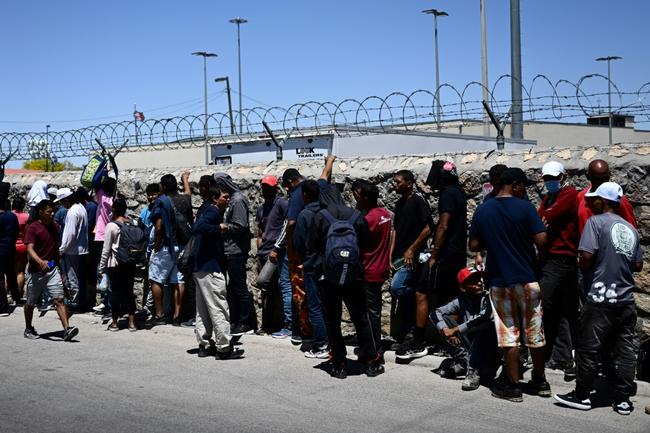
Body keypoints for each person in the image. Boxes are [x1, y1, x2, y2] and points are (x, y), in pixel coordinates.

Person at [554, 182, 643, 416]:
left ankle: (582, 395)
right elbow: (638, 264)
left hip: (600, 297)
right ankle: (623, 400)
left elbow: (586, 256)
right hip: (625, 300)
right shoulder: (630, 229)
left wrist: (585, 264)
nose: (589, 201)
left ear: (602, 201)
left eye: (593, 199)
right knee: (625, 350)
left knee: (588, 348)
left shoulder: (595, 222)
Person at [468, 167, 550, 403]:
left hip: (500, 281)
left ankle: (512, 386)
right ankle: (540, 380)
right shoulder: (525, 208)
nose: (524, 189)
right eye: (523, 185)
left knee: (509, 335)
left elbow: (474, 245)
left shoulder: (483, 210)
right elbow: (542, 241)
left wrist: (492, 237)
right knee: (535, 331)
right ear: (514, 185)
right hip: (528, 279)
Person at [307, 189, 384, 379]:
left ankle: (340, 364)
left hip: (329, 278)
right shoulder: (357, 215)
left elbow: (311, 246)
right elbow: (366, 244)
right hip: (354, 276)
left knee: (332, 321)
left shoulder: (320, 217)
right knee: (361, 318)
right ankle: (371, 362)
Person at [398, 160, 468, 360]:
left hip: (445, 255)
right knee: (449, 298)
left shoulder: (447, 194)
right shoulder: (459, 192)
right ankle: (451, 342)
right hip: (457, 253)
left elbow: (443, 225)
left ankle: (419, 341)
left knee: (422, 293)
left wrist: (434, 254)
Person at [536, 161, 579, 377]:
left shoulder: (570, 195)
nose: (549, 182)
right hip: (550, 258)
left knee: (546, 306)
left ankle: (548, 355)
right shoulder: (547, 198)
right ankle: (560, 356)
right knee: (557, 310)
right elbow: (539, 219)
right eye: (546, 178)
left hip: (562, 259)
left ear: (563, 176)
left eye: (553, 178)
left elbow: (550, 217)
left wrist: (544, 219)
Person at [192, 185, 243, 360]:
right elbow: (198, 227)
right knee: (218, 307)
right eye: (225, 197)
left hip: (200, 267)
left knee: (203, 310)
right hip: (210, 268)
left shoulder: (206, 210)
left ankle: (205, 345)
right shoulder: (213, 212)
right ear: (215, 198)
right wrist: (220, 228)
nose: (228, 200)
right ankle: (224, 347)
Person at [432, 266, 498, 391]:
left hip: (488, 347)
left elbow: (484, 318)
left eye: (479, 279)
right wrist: (446, 330)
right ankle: (464, 362)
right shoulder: (460, 300)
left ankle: (473, 369)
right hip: (469, 342)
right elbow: (435, 313)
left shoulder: (488, 297)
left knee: (482, 328)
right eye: (473, 281)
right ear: (463, 288)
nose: (479, 283)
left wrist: (455, 330)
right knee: (444, 320)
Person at [23, 200, 79, 341]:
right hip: (35, 271)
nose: (52, 214)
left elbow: (55, 250)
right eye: (49, 211)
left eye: (53, 211)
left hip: (52, 269)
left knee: (59, 299)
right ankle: (28, 327)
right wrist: (40, 261)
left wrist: (59, 269)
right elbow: (29, 248)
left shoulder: (55, 227)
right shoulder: (33, 228)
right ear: (41, 213)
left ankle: (66, 329)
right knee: (30, 303)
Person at [389, 170, 432, 345]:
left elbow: (429, 228)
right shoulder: (399, 204)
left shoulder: (418, 202)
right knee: (400, 291)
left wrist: (412, 249)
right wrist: (390, 255)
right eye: (394, 182)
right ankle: (407, 329)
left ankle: (416, 300)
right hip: (399, 257)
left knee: (397, 288)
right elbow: (396, 230)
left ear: (409, 183)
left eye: (398, 182)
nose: (395, 185)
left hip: (411, 257)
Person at [213, 172, 256, 336]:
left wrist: (225, 227)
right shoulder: (231, 198)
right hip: (230, 249)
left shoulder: (237, 200)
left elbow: (240, 225)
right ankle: (237, 320)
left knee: (239, 287)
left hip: (235, 250)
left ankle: (245, 323)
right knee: (233, 287)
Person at [355, 180, 392, 354]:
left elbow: (359, 241)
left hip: (368, 269)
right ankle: (374, 346)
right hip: (381, 268)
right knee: (374, 311)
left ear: (366, 198)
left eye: (359, 196)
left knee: (369, 314)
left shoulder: (368, 219)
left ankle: (373, 349)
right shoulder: (384, 214)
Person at [293, 180, 329, 359]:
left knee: (314, 306)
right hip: (329, 265)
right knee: (328, 305)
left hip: (312, 265)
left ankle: (321, 344)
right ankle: (330, 341)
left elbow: (299, 243)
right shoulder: (328, 211)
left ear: (304, 195)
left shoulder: (304, 215)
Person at [148, 174, 184, 327]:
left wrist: (156, 246)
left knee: (156, 279)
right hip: (181, 245)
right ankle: (177, 316)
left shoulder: (161, 202)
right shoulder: (184, 200)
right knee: (178, 280)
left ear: (163, 186)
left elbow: (158, 226)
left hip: (165, 246)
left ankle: (160, 314)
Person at [254, 175, 289, 334]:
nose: (265, 190)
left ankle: (276, 324)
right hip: (263, 253)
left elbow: (288, 225)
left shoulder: (281, 204)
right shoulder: (261, 208)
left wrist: (277, 249)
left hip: (276, 252)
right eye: (263, 187)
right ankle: (267, 325)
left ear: (275, 188)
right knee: (266, 290)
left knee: (275, 289)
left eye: (268, 187)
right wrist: (259, 250)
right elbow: (260, 231)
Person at [99, 197, 137, 332]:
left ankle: (115, 323)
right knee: (129, 292)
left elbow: (106, 249)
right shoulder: (132, 222)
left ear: (113, 209)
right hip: (130, 263)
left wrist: (101, 267)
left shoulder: (111, 226)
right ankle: (132, 323)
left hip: (116, 263)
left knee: (116, 293)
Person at [576, 159, 637, 234]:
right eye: (597, 179)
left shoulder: (618, 199)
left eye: (605, 178)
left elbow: (631, 230)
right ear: (588, 176)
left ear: (609, 175)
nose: (601, 183)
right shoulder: (581, 197)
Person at [58, 188, 89, 310]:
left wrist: (61, 250)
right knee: (80, 277)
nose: (61, 205)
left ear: (66, 199)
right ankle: (81, 301)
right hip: (82, 249)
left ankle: (74, 303)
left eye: (61, 202)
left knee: (71, 278)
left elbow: (70, 234)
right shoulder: (81, 207)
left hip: (72, 250)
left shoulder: (71, 212)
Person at [93, 176, 117, 316]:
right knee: (110, 271)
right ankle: (108, 303)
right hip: (112, 238)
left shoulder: (101, 198)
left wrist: (102, 166)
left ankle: (105, 303)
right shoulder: (114, 200)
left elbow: (94, 181)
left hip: (101, 237)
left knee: (102, 271)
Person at [0, 182, 18, 316]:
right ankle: (16, 297)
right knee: (11, 274)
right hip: (10, 249)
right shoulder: (12, 217)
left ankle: (2, 306)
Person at [12, 196, 29, 303]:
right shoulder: (26, 216)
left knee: (8, 271)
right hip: (22, 246)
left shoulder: (9, 215)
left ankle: (7, 294)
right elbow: (27, 233)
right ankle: (18, 297)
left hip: (11, 245)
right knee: (21, 271)